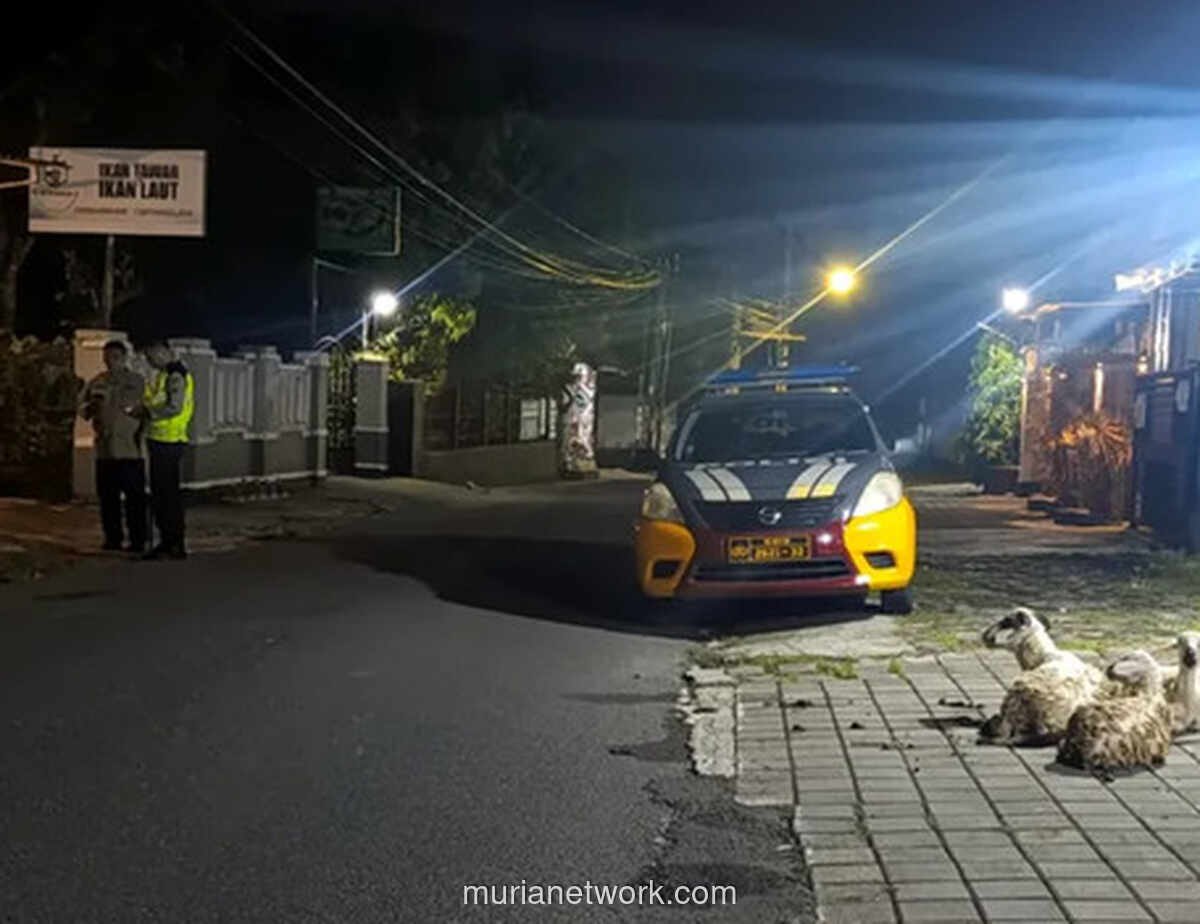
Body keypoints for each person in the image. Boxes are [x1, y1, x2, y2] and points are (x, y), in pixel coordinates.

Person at [79, 340, 147, 552]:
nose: (110, 362)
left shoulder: (137, 382)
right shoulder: (97, 382)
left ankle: (138, 539)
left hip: (130, 449)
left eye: (115, 357)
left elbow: (147, 411)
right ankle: (113, 538)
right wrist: (92, 406)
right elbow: (83, 411)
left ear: (124, 358)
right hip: (105, 450)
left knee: (135, 499)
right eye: (107, 357)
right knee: (108, 499)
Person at [139, 340, 194, 560]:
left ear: (163, 351)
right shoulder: (165, 374)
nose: (150, 361)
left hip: (168, 441)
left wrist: (147, 413)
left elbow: (174, 407)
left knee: (166, 496)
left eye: (152, 356)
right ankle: (168, 541)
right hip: (161, 439)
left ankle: (173, 542)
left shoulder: (175, 375)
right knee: (162, 495)